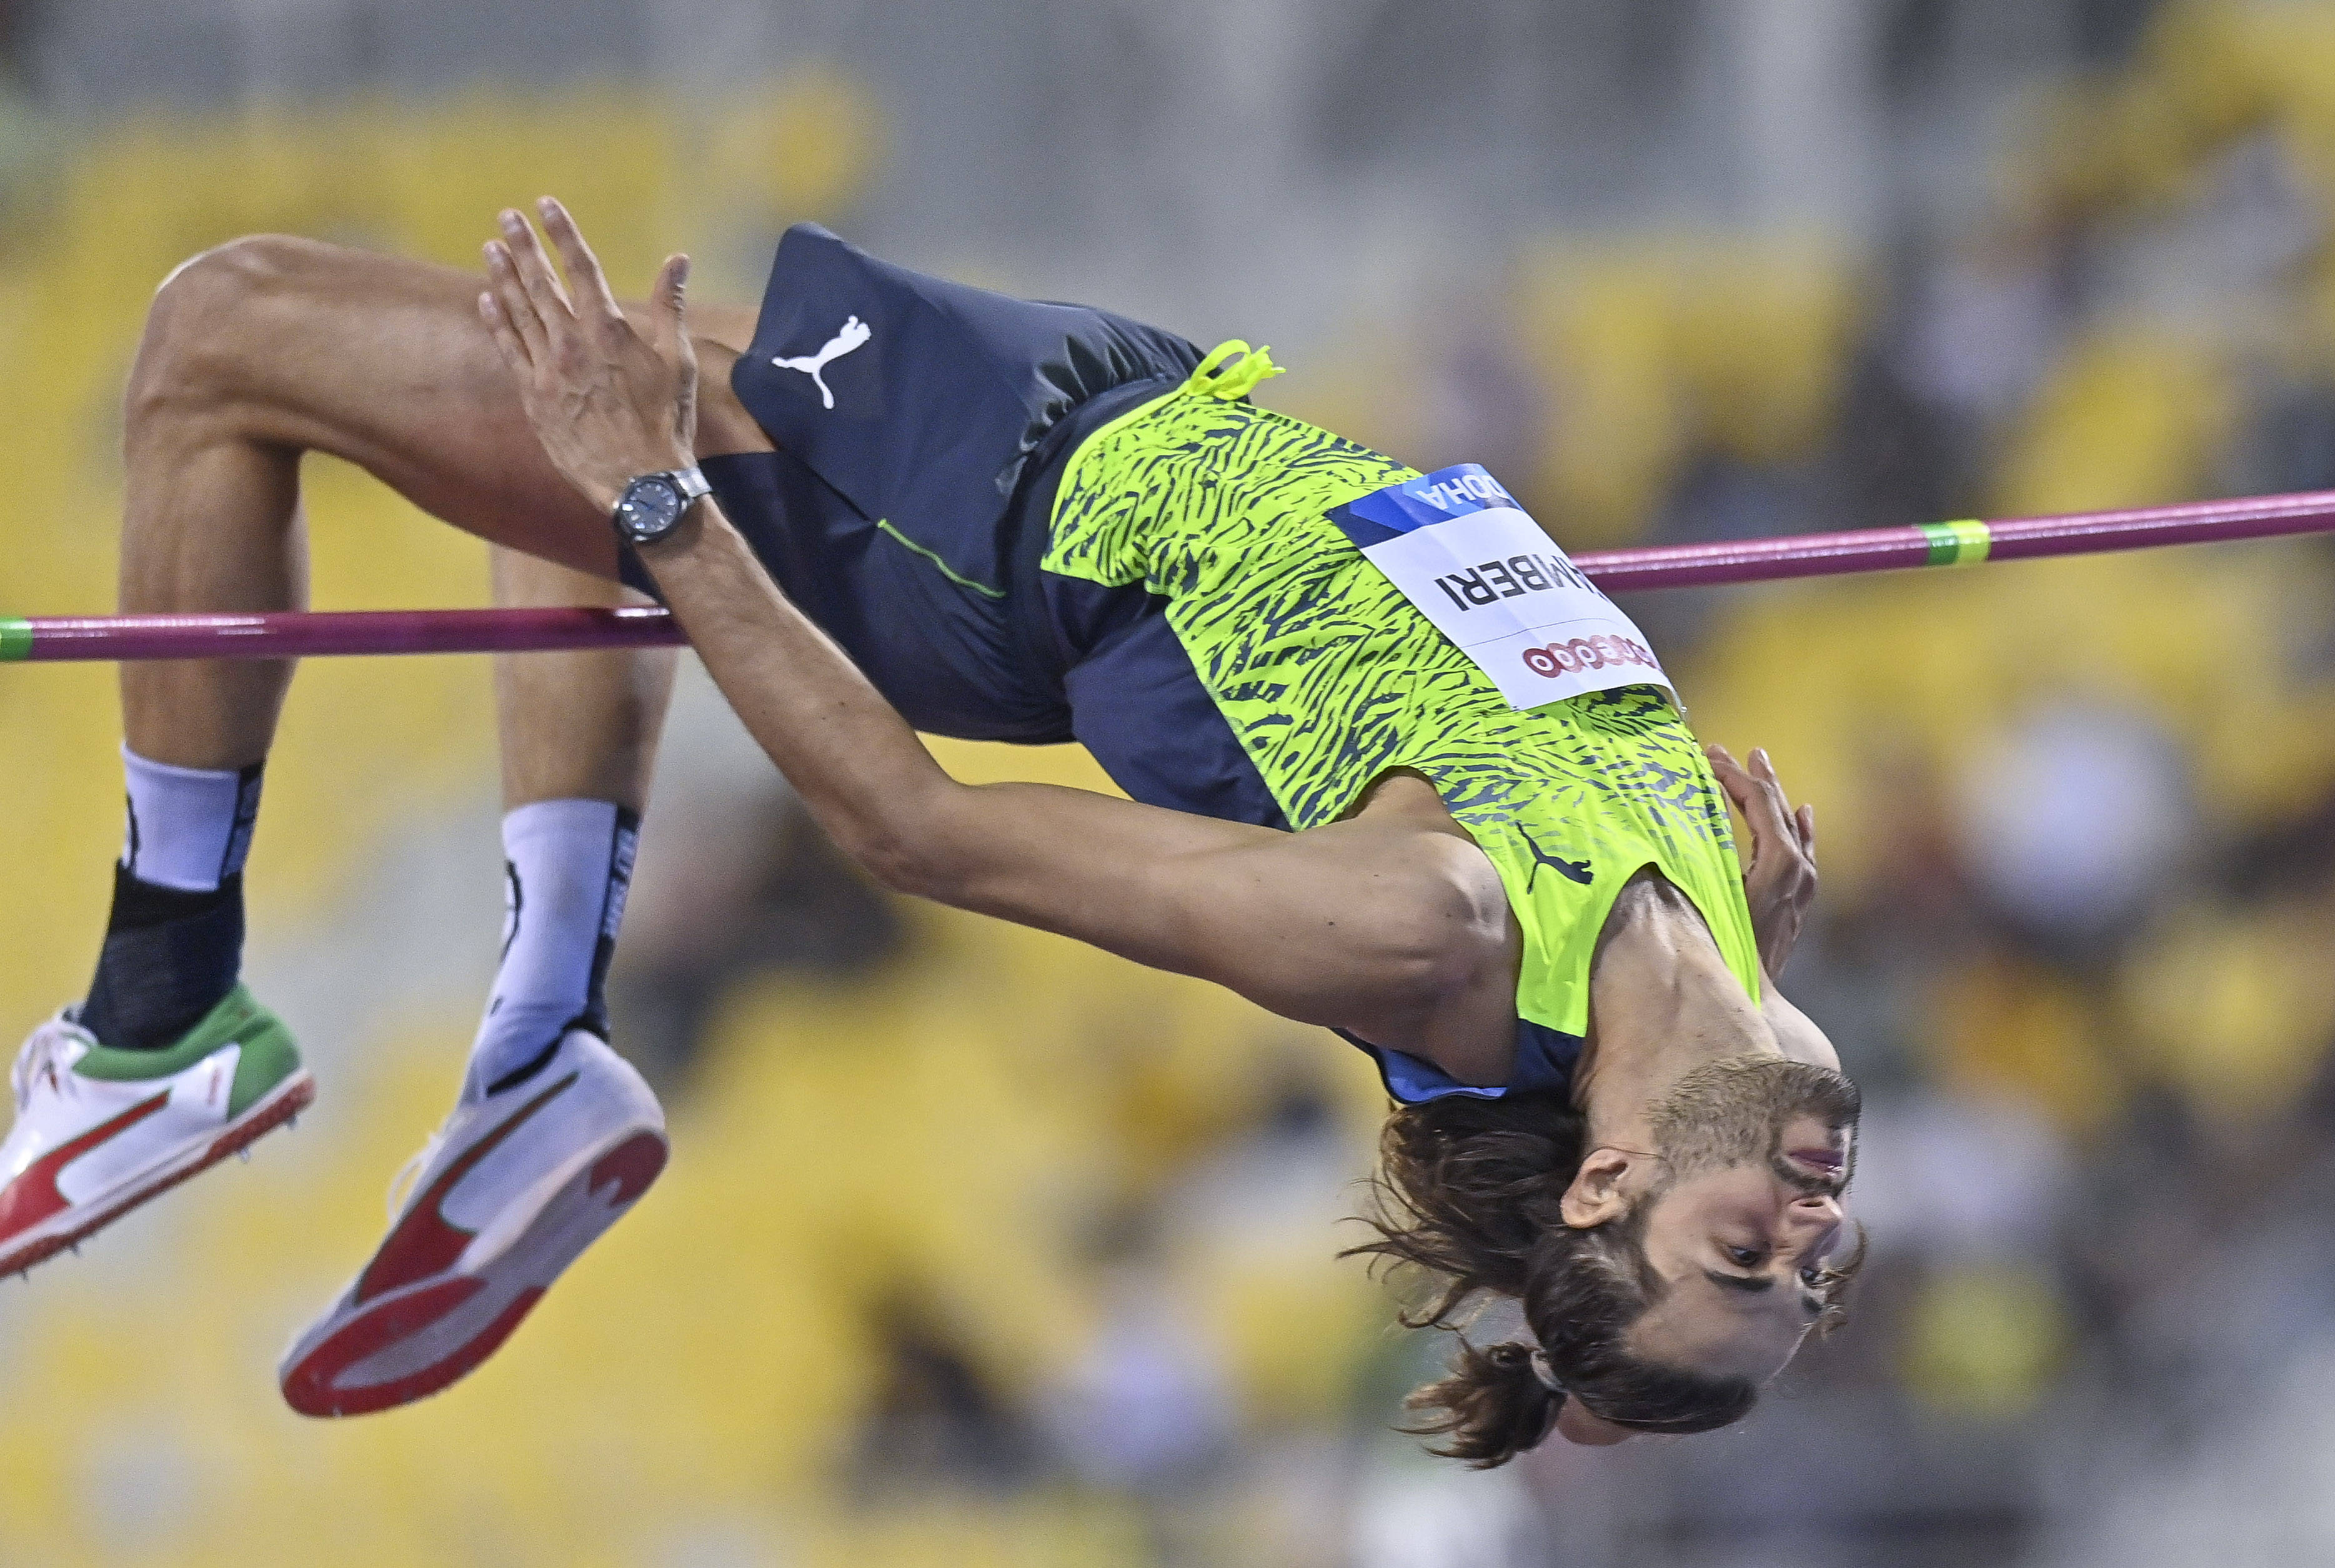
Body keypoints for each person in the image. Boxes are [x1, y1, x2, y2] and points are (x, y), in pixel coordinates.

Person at [0, 199, 1860, 1455]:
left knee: (225, 331)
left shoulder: (1426, 929)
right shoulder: (1727, 965)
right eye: (1814, 1270)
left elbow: (918, 832)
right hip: (1124, 408)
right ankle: (541, 1037)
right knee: (575, 380)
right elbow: (1615, 1054)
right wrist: (1728, 973)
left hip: (986, 530)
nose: (1806, 1226)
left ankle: (165, 1013)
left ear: (1608, 1187)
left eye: (1743, 1262)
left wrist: (654, 494)